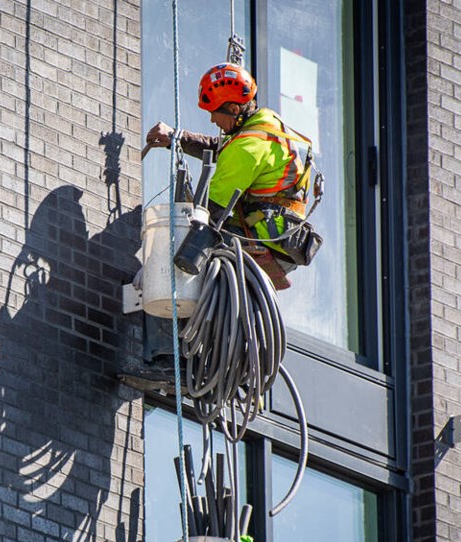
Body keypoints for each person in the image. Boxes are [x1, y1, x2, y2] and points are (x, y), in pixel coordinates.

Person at [119, 62, 322, 393]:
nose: (213, 120)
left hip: (258, 241)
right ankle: (195, 359)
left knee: (178, 259)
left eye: (216, 113)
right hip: (271, 238)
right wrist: (177, 138)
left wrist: (169, 244)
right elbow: (222, 148)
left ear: (234, 107)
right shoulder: (261, 127)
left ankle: (170, 364)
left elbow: (209, 209)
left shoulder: (250, 146)